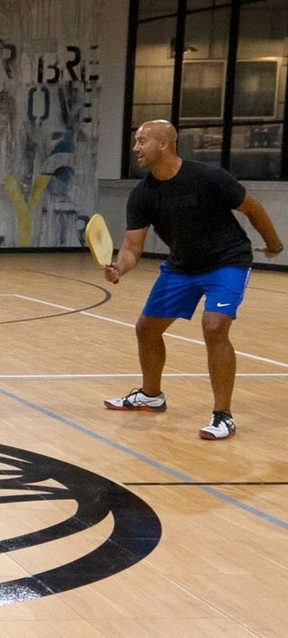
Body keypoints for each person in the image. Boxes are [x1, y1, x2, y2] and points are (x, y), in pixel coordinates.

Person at [103, 119, 283, 440]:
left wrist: (273, 244)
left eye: (142, 141)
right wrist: (120, 267)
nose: (135, 148)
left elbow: (252, 208)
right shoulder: (143, 194)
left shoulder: (209, 177)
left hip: (227, 261)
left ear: (164, 144)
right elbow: (132, 247)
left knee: (214, 327)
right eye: (136, 141)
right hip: (182, 267)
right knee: (147, 328)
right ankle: (151, 395)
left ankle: (222, 415)